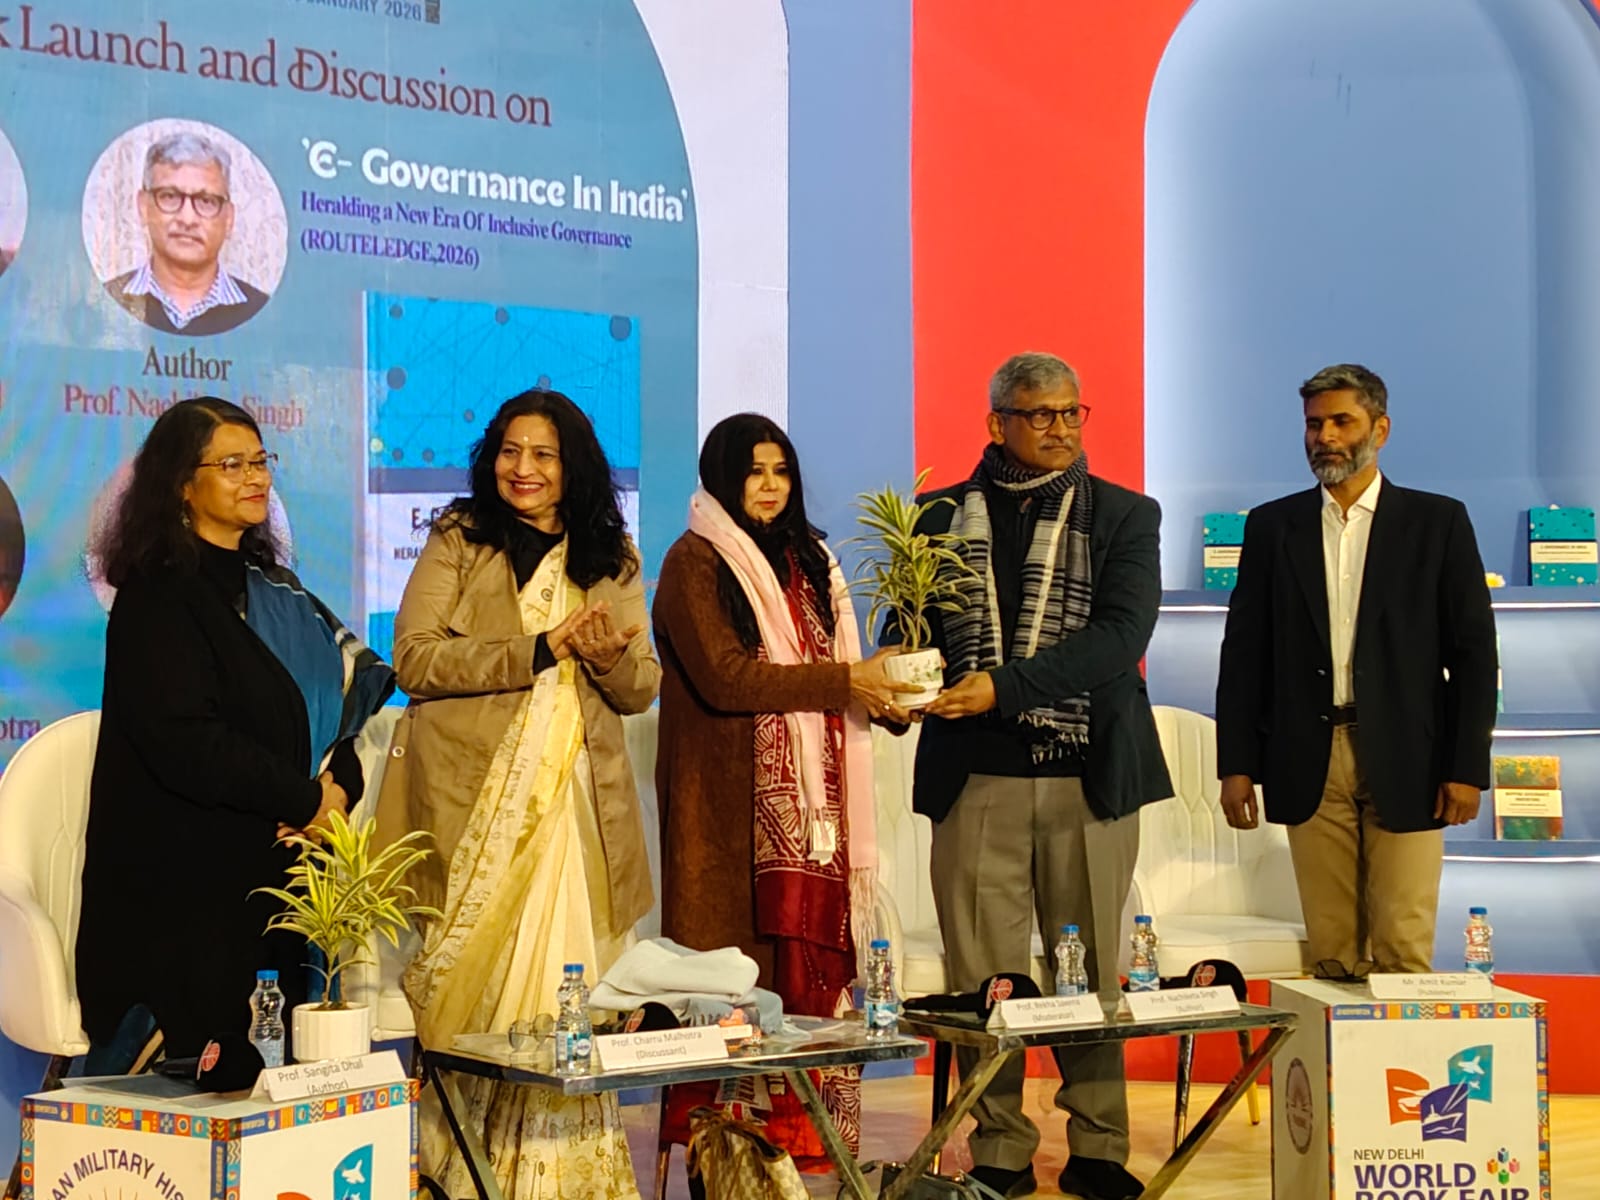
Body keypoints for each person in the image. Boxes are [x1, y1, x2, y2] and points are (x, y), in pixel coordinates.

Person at [376, 388, 658, 1200]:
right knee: (460, 995)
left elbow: (641, 686)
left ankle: (554, 1174)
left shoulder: (610, 554)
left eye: (543, 455)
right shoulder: (461, 537)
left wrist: (602, 656)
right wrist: (538, 647)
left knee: (563, 1000)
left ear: (575, 467)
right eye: (510, 451)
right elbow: (415, 658)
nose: (523, 468)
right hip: (471, 805)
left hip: (572, 814)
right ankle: (453, 1173)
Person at [901, 353, 1170, 1200]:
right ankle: (1001, 1148)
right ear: (998, 423)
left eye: (1071, 412)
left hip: (1088, 776)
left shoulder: (1125, 514)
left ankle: (1098, 1147)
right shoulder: (935, 517)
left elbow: (1118, 637)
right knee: (985, 977)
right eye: (1041, 414)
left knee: (1087, 971)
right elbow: (912, 628)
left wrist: (1003, 687)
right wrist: (899, 681)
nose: (1060, 429)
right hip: (975, 778)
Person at [77, 398, 392, 1063]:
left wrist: (336, 793)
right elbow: (188, 742)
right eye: (231, 465)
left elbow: (340, 717)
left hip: (285, 869)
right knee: (220, 1083)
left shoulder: (282, 593)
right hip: (188, 889)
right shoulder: (155, 599)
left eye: (259, 461)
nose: (255, 477)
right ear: (181, 485)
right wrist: (304, 800)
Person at [652, 413, 912, 1169]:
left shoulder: (812, 563)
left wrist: (886, 696)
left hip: (815, 831)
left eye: (781, 472)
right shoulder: (693, 561)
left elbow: (829, 679)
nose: (769, 487)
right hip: (725, 818)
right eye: (753, 472)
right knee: (727, 984)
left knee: (808, 976)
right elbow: (728, 679)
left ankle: (812, 1147)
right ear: (722, 479)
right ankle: (725, 1160)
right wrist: (849, 681)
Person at [1215, 364, 1497, 976]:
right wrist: (1235, 765)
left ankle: (1399, 1044)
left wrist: (1467, 767)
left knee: (1403, 946)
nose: (1325, 437)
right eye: (1314, 424)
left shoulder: (1438, 522)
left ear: (1380, 429)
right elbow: (1243, 655)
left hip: (1412, 758)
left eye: (1341, 421)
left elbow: (1475, 656)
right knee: (1332, 954)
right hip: (1305, 755)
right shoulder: (1272, 526)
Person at [103, 131, 270, 336]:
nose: (187, 219)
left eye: (206, 201)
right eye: (169, 197)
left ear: (229, 218)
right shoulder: (104, 304)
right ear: (143, 207)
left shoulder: (267, 316)